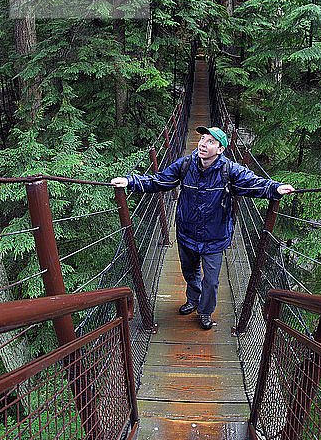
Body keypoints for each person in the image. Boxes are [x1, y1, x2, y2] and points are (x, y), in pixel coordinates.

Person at [111, 126, 294, 329]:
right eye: (202, 139)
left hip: (215, 237)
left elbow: (253, 182)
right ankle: (193, 299)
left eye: (210, 142)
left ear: (221, 149)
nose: (203, 144)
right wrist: (129, 181)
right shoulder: (186, 164)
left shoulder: (229, 170)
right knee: (189, 272)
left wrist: (275, 188)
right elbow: (160, 180)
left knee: (212, 281)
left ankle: (205, 312)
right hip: (187, 233)